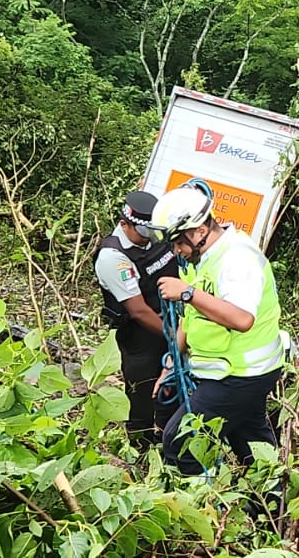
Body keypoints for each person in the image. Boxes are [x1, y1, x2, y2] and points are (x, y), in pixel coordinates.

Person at [148, 182, 285, 477]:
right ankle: (273, 514)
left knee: (180, 441)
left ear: (198, 231)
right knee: (253, 448)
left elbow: (241, 318)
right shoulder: (202, 259)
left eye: (178, 242)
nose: (176, 251)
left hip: (242, 374)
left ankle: (200, 513)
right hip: (227, 371)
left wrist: (187, 293)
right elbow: (192, 317)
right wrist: (172, 363)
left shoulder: (237, 259)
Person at [92, 191, 179, 447]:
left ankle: (169, 443)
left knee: (172, 392)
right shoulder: (113, 257)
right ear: (124, 224)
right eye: (143, 231)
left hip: (174, 321)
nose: (149, 237)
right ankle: (140, 454)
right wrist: (175, 338)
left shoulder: (154, 235)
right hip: (142, 336)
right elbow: (138, 310)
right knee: (142, 397)